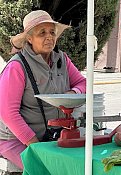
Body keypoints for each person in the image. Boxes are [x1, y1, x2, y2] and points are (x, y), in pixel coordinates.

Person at [0, 10, 86, 169]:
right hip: (15, 140)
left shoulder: (62, 59)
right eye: (42, 33)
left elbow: (83, 83)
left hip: (50, 136)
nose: (49, 37)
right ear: (29, 39)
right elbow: (8, 113)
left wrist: (73, 93)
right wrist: (35, 147)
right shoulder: (17, 67)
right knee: (43, 169)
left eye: (52, 32)